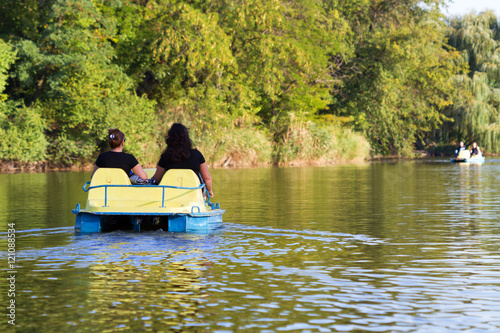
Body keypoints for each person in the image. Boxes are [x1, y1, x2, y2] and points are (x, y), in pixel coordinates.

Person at [151, 123, 214, 198]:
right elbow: (207, 178)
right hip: (194, 195)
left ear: (170, 139)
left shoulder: (165, 157)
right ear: (187, 138)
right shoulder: (197, 155)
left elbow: (156, 179)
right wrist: (209, 191)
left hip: (170, 196)